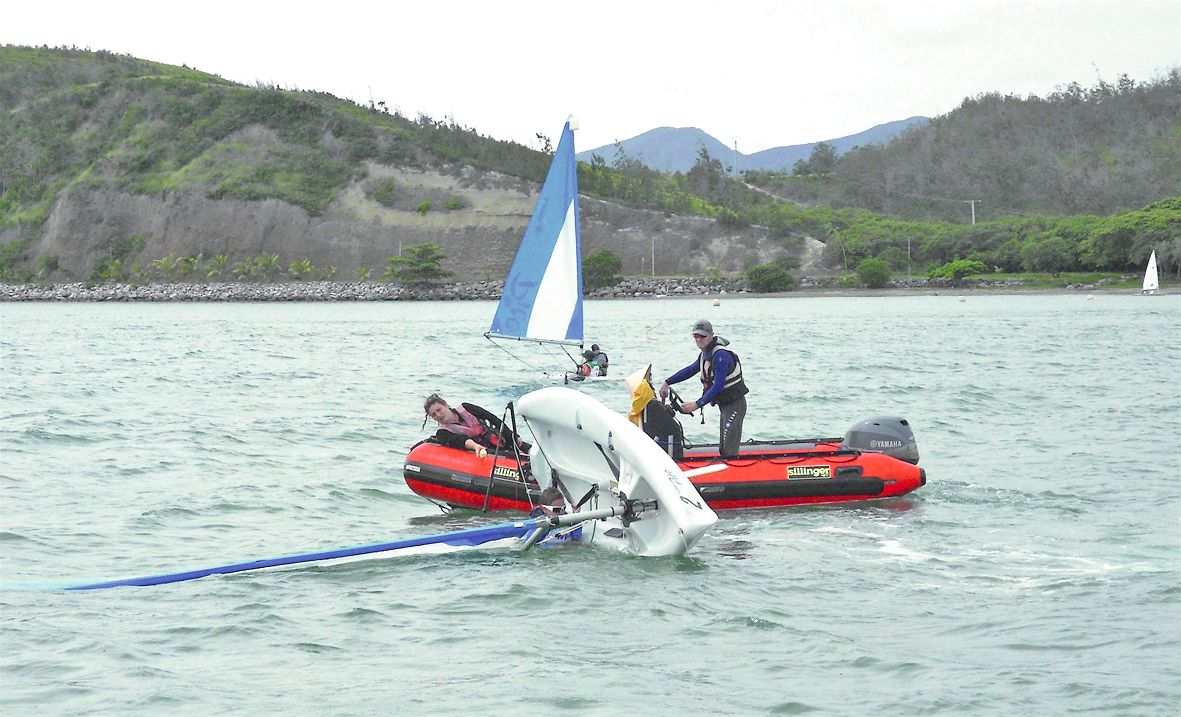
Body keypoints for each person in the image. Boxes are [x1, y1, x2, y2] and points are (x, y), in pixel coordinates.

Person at [658, 319, 748, 459]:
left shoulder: (720, 356)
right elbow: (689, 370)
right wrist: (667, 382)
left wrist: (696, 404)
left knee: (729, 448)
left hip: (734, 405)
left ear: (711, 335)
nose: (698, 339)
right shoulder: (705, 354)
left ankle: (732, 471)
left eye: (702, 336)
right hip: (724, 405)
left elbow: (718, 387)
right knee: (723, 446)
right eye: (696, 336)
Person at [423, 394, 529, 458]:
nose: (438, 415)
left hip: (500, 440)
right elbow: (459, 440)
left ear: (445, 404)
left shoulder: (466, 408)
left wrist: (513, 437)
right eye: (433, 414)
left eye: (439, 410)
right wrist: (475, 446)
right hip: (484, 452)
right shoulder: (442, 433)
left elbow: (492, 419)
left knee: (529, 450)